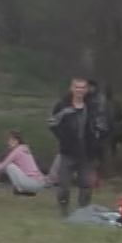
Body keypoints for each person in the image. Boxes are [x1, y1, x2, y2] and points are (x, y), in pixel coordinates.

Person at [46, 77, 106, 215]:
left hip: (87, 152)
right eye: (77, 87)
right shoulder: (62, 106)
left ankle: (83, 212)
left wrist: (98, 135)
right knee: (63, 185)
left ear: (86, 89)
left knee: (86, 184)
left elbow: (102, 124)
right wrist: (63, 137)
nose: (79, 90)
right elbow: (52, 123)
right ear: (71, 88)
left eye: (82, 87)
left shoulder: (92, 107)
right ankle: (64, 211)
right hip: (68, 152)